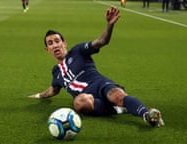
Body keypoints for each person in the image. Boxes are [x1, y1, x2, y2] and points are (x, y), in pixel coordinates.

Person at [28, 6, 164, 127]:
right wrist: (39, 96)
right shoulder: (56, 72)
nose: (55, 45)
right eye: (50, 43)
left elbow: (101, 41)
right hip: (88, 99)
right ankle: (119, 109)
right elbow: (52, 90)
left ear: (64, 43)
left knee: (117, 96)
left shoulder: (78, 51)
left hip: (101, 85)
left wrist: (109, 25)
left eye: (57, 41)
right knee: (79, 103)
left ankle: (147, 115)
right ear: (47, 49)